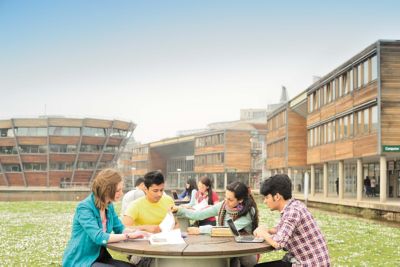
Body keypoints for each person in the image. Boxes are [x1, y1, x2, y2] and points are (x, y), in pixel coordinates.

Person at [62, 168, 144, 267]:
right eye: (118, 190)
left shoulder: (109, 206)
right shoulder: (84, 208)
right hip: (81, 260)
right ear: (106, 190)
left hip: (99, 256)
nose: (121, 193)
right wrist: (128, 236)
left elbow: (119, 228)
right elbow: (98, 237)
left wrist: (136, 233)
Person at [174, 181, 259, 267]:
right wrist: (180, 210)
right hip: (227, 247)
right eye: (226, 197)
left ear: (240, 200)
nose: (226, 201)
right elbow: (200, 214)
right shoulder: (223, 206)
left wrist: (200, 230)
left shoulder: (248, 211)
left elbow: (229, 230)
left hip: (245, 253)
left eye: (230, 199)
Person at [254, 174, 330, 266]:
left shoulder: (293, 211)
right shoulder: (293, 206)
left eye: (266, 197)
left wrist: (263, 234)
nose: (265, 201)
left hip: (309, 264)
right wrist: (267, 230)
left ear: (277, 196)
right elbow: (281, 229)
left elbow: (278, 243)